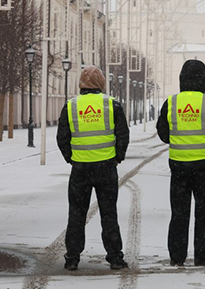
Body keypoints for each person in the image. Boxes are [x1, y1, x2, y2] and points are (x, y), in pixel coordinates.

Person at [156, 59, 205, 267]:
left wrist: (180, 140)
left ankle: (177, 256)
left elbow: (163, 134)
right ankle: (202, 255)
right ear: (204, 80)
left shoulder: (171, 103)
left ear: (181, 80)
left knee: (179, 213)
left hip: (178, 166)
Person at [57, 66, 130, 271]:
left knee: (76, 214)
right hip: (106, 168)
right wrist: (117, 157)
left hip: (80, 169)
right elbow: (123, 134)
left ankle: (72, 257)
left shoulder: (71, 106)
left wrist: (71, 158)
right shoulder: (111, 105)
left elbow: (62, 137)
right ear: (101, 84)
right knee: (109, 213)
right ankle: (115, 256)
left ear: (81, 84)